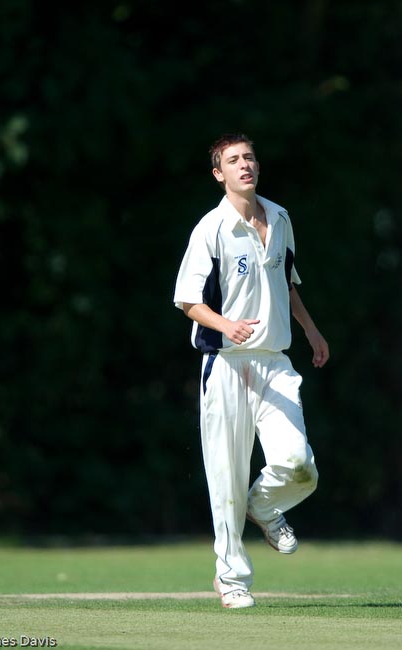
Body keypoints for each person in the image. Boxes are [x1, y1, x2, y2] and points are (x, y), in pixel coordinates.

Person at [173, 133, 329, 609]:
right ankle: (231, 578)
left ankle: (264, 506)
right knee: (226, 478)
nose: (245, 165)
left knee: (299, 463)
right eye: (233, 160)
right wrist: (227, 325)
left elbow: (286, 282)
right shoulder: (211, 228)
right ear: (218, 173)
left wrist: (312, 331)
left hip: (275, 363)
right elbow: (188, 301)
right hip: (226, 364)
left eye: (249, 157)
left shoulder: (279, 217)